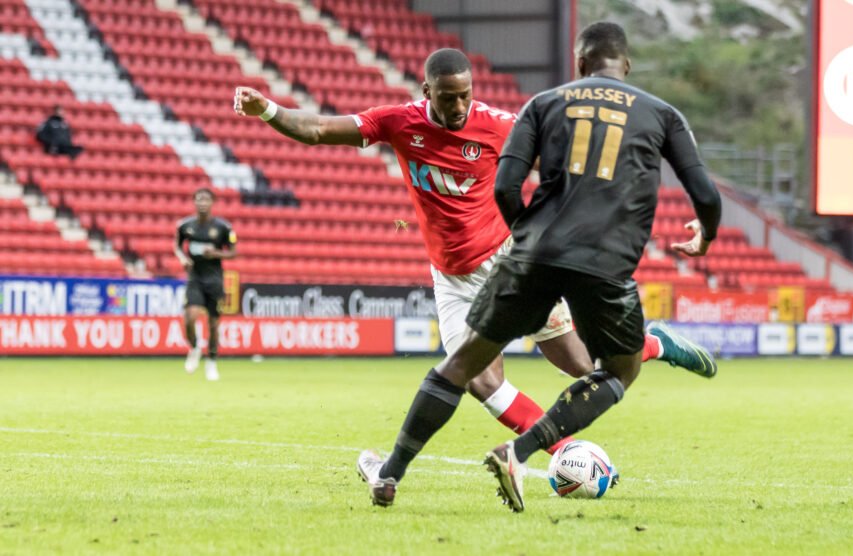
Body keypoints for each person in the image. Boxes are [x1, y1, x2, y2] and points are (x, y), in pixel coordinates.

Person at [232, 47, 713, 473]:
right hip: (454, 278)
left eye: (465, 95)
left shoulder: (500, 125)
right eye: (447, 97)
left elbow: (569, 167)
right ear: (427, 91)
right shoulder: (399, 121)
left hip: (509, 262)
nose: (458, 105)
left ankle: (653, 345)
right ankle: (563, 454)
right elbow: (317, 129)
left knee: (585, 368)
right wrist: (268, 109)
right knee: (481, 381)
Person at [354, 22, 723, 511]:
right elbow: (706, 194)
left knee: (488, 367)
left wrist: (525, 237)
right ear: (626, 65)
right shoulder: (661, 114)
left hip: (532, 256)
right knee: (599, 373)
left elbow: (508, 186)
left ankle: (422, 466)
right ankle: (534, 448)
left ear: (579, 64)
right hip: (602, 256)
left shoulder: (544, 105)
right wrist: (705, 236)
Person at [174, 188, 238, 381]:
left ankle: (211, 361)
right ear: (194, 202)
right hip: (195, 277)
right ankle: (194, 348)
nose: (202, 203)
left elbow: (233, 252)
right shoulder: (185, 226)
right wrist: (182, 258)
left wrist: (216, 253)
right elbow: (177, 246)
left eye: (206, 199)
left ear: (212, 203)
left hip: (215, 279)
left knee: (213, 324)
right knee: (189, 318)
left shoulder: (223, 228)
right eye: (199, 199)